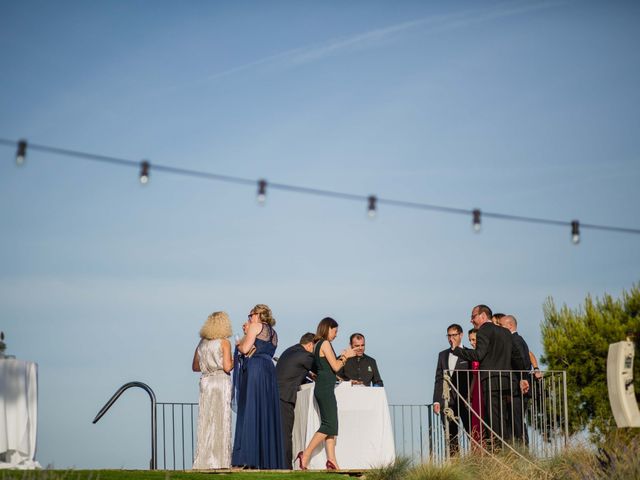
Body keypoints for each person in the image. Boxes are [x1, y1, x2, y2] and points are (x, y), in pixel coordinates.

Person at [452, 305, 526, 450]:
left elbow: (478, 355)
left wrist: (458, 351)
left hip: (491, 382)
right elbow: (517, 357)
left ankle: (501, 453)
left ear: (483, 316)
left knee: (494, 420)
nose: (471, 320)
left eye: (473, 316)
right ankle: (511, 450)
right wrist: (522, 377)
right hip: (508, 381)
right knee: (507, 419)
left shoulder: (484, 330)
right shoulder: (505, 332)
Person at [296, 317, 355, 470]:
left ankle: (332, 461)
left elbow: (326, 369)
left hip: (323, 387)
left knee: (331, 425)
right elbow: (335, 366)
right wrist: (345, 357)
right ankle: (306, 454)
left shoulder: (316, 344)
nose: (336, 335)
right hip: (325, 389)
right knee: (330, 424)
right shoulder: (325, 343)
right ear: (328, 328)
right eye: (335, 331)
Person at [232, 304, 285, 469]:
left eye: (250, 315)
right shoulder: (274, 333)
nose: (249, 318)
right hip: (269, 369)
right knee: (265, 411)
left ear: (258, 315)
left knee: (251, 409)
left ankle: (249, 457)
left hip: (255, 369)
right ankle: (266, 457)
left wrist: (240, 339)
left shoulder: (255, 326)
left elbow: (245, 348)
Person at [192, 311, 234, 469]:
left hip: (206, 382)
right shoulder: (224, 342)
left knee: (206, 421)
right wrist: (237, 359)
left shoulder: (202, 343)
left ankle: (204, 460)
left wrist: (207, 366)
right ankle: (221, 461)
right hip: (220, 381)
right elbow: (227, 367)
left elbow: (195, 367)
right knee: (221, 420)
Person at [275, 332, 315, 469]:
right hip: (284, 396)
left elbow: (295, 373)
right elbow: (322, 369)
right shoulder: (306, 355)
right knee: (286, 434)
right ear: (310, 345)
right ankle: (286, 467)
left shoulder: (290, 351)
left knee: (278, 433)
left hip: (275, 395)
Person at [432, 324, 471, 455]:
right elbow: (439, 379)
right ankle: (455, 466)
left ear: (461, 335)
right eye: (449, 335)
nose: (451, 338)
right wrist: (436, 401)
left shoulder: (469, 354)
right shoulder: (442, 355)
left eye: (454, 335)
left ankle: (477, 462)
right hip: (448, 402)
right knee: (451, 435)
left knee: (472, 433)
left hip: (465, 401)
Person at [499, 314, 532, 445]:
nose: (500, 329)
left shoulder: (514, 340)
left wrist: (523, 379)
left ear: (510, 325)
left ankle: (523, 449)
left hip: (518, 389)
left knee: (517, 421)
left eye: (501, 326)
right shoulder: (517, 339)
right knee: (514, 420)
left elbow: (523, 361)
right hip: (516, 387)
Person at [467, 328, 483, 447]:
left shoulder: (484, 353)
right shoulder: (472, 355)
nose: (472, 343)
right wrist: (470, 394)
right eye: (470, 340)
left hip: (484, 388)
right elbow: (473, 377)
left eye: (474, 339)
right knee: (475, 420)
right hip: (476, 390)